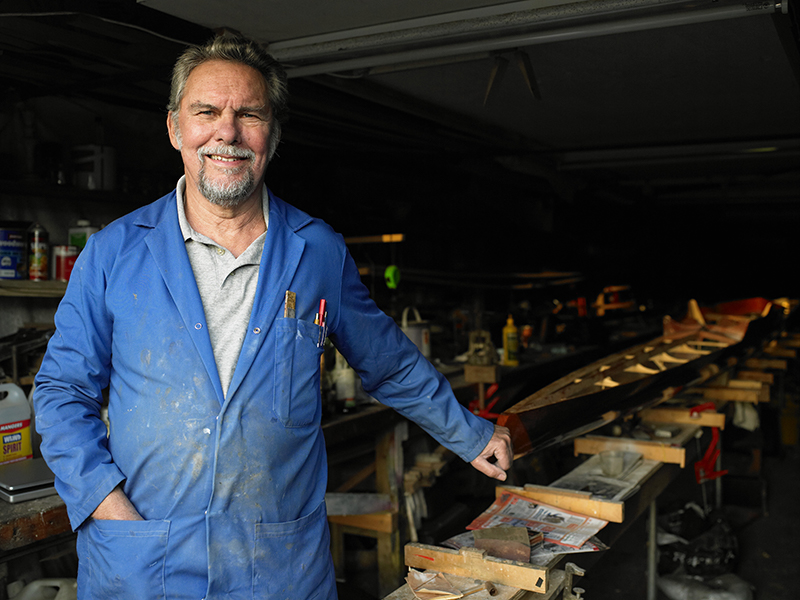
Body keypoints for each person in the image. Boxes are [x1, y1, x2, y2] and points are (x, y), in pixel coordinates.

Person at [34, 33, 513, 600]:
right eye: (206, 112)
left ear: (272, 134)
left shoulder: (318, 251)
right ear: (174, 128)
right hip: (144, 563)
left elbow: (387, 363)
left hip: (278, 568)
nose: (227, 132)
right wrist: (107, 507)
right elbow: (62, 392)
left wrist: (469, 432)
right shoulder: (112, 254)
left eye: (249, 114)